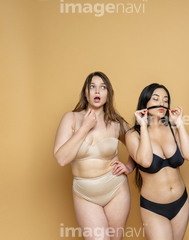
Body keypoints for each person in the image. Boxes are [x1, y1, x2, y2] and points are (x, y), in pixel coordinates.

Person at [53, 72, 134, 240]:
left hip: (116, 190)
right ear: (85, 93)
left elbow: (138, 145)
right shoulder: (71, 118)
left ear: (108, 94)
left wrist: (129, 167)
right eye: (92, 87)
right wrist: (85, 128)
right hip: (85, 194)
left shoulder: (115, 122)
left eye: (103, 87)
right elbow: (61, 159)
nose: (97, 91)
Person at [125, 83, 189, 240]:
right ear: (146, 103)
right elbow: (145, 161)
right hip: (153, 208)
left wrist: (180, 124)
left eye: (165, 100)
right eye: (156, 98)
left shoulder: (173, 128)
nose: (162, 103)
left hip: (181, 203)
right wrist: (143, 126)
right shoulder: (133, 135)